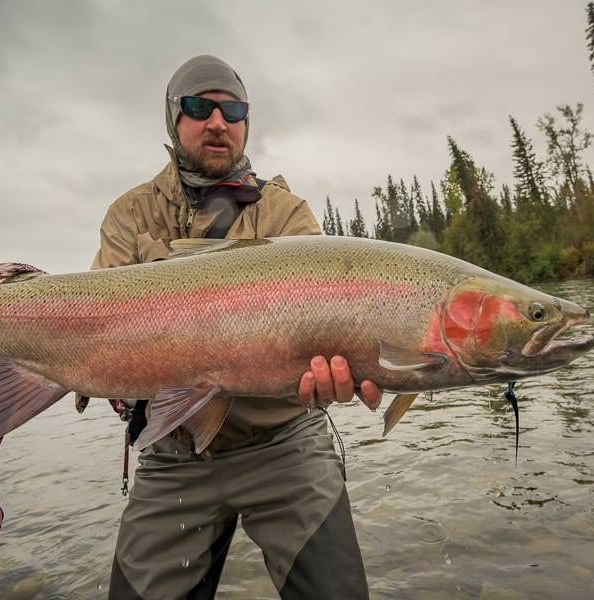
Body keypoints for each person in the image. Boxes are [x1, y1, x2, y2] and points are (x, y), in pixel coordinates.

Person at [92, 55, 383, 600]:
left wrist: (342, 368)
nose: (218, 122)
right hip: (174, 455)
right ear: (173, 120)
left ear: (247, 121)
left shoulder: (288, 215)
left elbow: (331, 330)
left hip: (284, 444)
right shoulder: (129, 216)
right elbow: (95, 322)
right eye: (199, 107)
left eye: (234, 109)